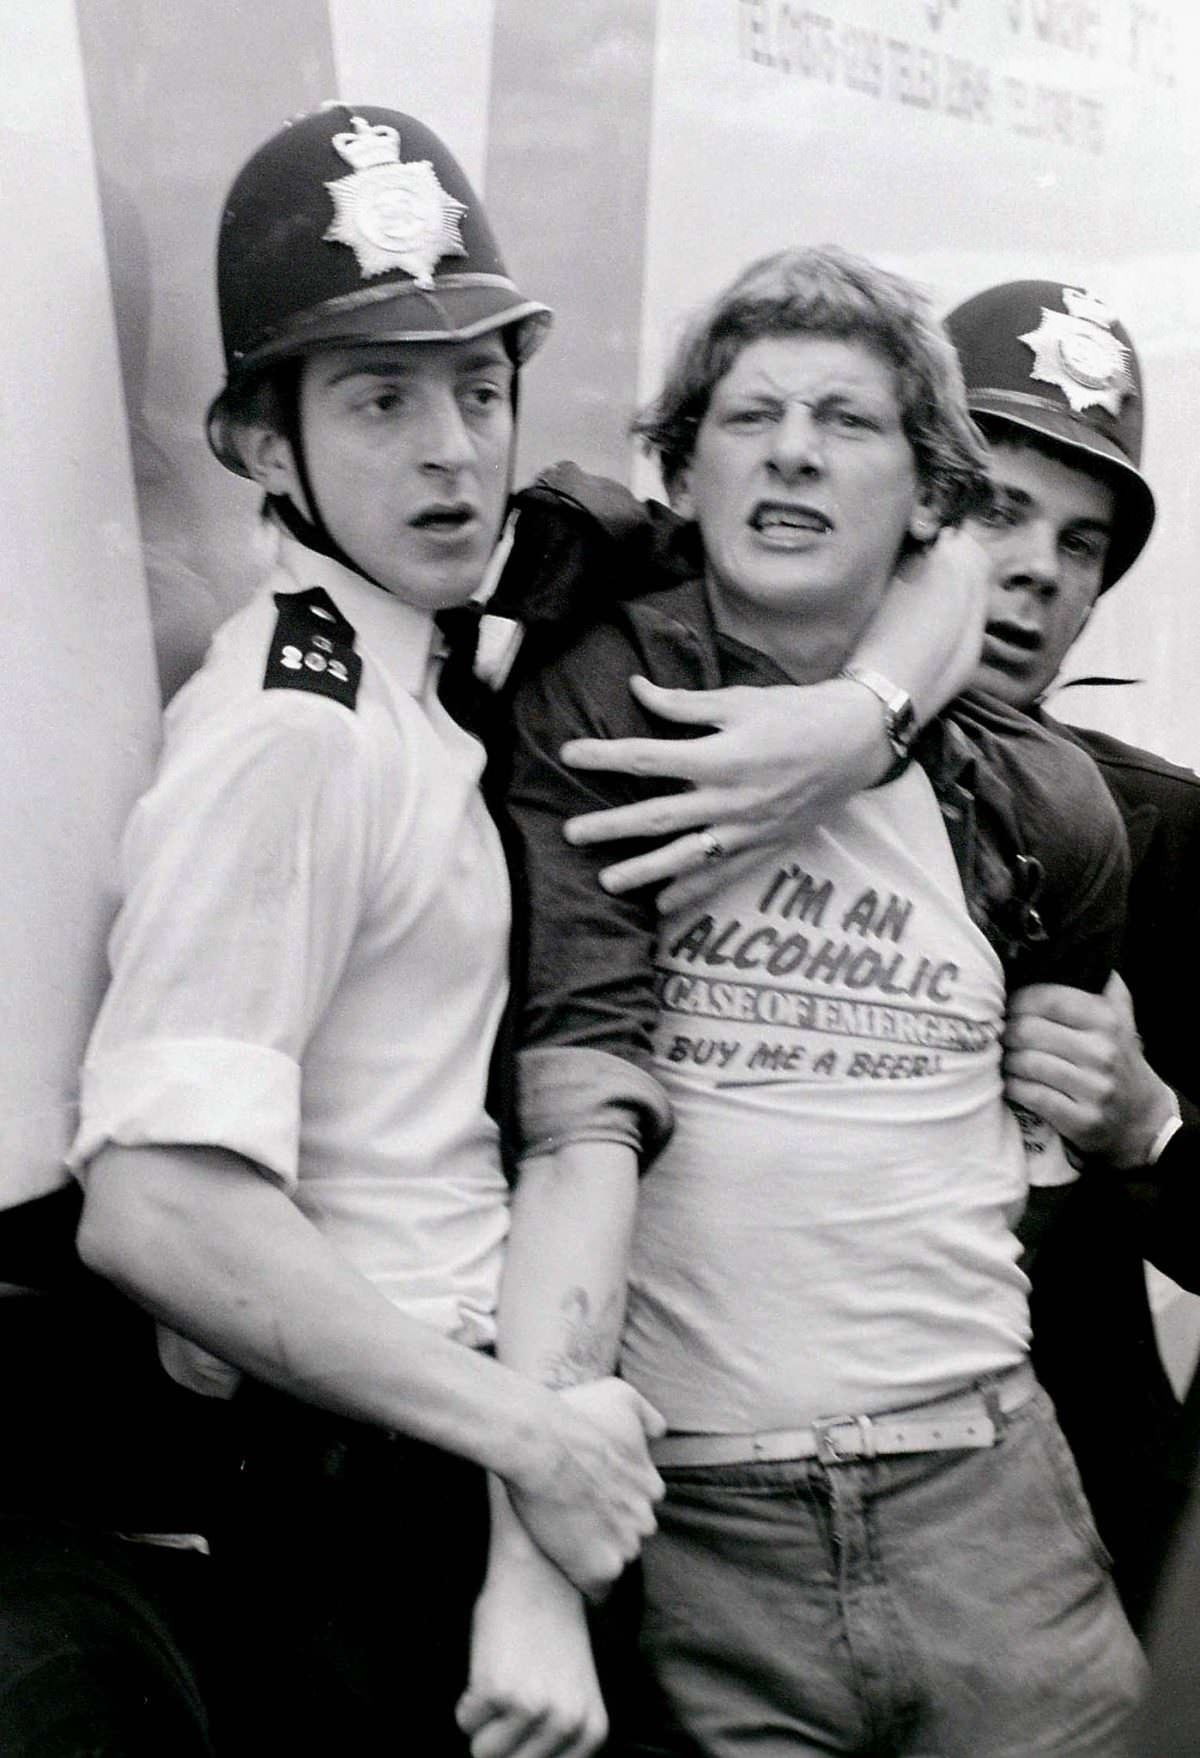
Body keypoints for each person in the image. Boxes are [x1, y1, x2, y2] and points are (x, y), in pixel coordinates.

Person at [65, 107, 984, 1758]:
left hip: (461, 1451)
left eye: (477, 393)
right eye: (378, 399)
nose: (448, 450)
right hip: (381, 1477)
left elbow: (954, 541)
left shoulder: (451, 631)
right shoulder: (294, 726)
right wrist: (531, 1445)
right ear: (263, 448)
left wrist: (861, 714)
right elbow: (154, 1206)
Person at [493, 245, 1143, 1756]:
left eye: (848, 422)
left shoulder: (1048, 803)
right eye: (749, 416)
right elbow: (579, 1118)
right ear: (687, 471)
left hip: (988, 1511)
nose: (792, 447)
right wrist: (531, 1548)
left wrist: (861, 726)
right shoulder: (601, 710)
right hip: (706, 1527)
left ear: (929, 504)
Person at [938, 280, 1200, 1627]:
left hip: (1080, 1551)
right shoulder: (755, 770)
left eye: (1084, 541)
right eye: (997, 506)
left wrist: (1149, 1124)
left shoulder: (1166, 831)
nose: (1040, 566)